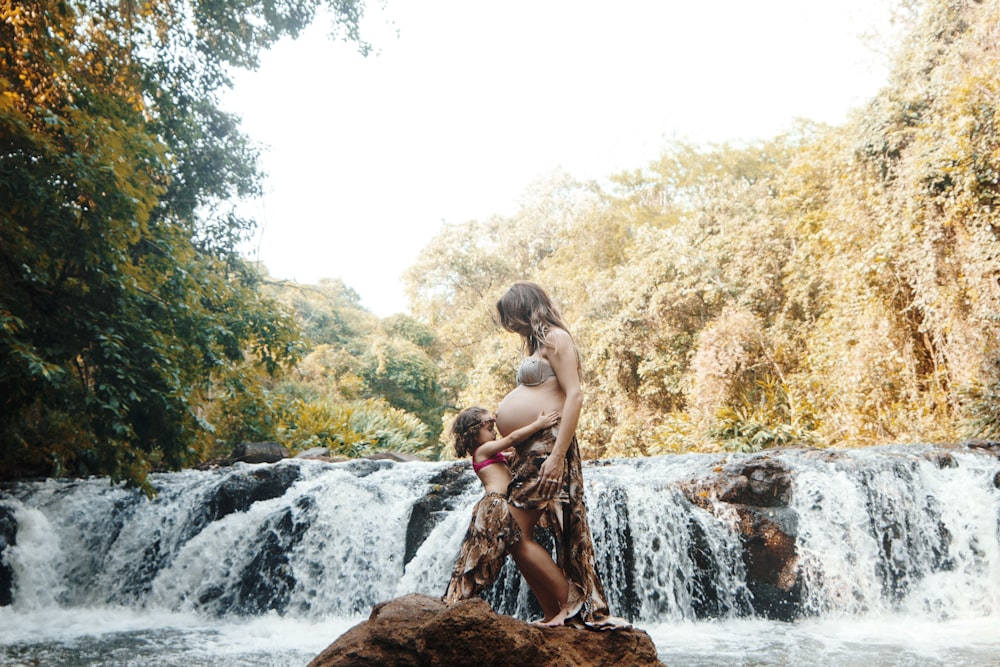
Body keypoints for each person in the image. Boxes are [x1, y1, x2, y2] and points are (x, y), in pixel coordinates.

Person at [494, 281, 628, 629]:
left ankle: (573, 606)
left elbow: (575, 396)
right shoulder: (540, 343)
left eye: (511, 316)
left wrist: (557, 454)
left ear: (525, 307)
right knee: (513, 536)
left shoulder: (556, 337)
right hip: (532, 447)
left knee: (511, 530)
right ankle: (554, 612)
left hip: (548, 446)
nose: (510, 325)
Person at [443, 406, 564, 620]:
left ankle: (552, 610)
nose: (494, 433)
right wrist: (539, 424)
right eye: (489, 428)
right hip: (496, 506)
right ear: (473, 433)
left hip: (503, 503)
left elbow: (515, 452)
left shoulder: (492, 453)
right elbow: (513, 438)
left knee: (518, 550)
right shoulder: (482, 451)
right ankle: (566, 603)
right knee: (488, 556)